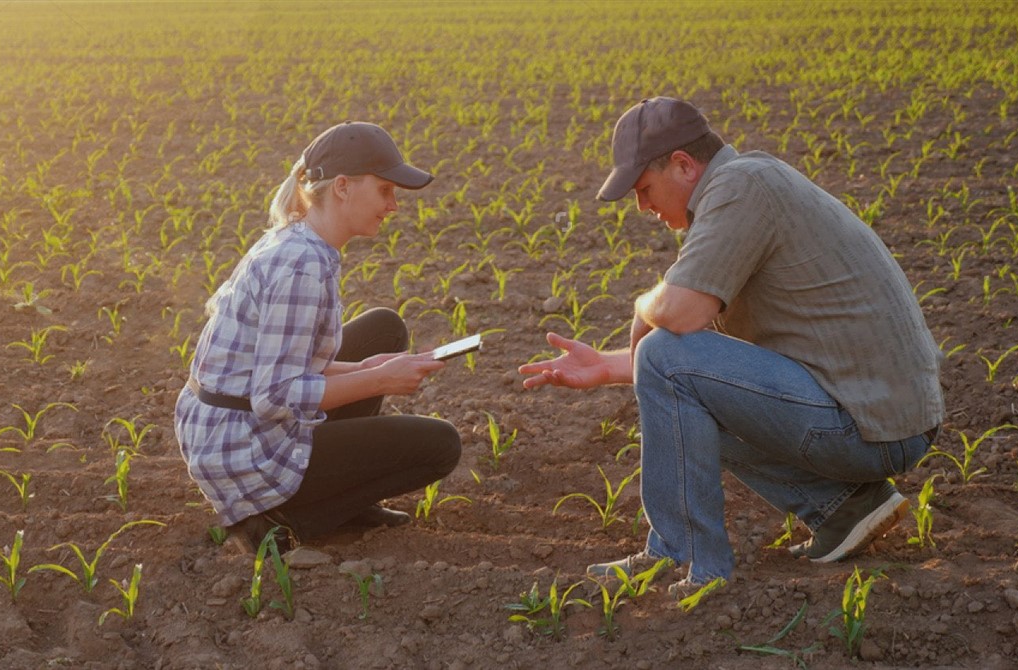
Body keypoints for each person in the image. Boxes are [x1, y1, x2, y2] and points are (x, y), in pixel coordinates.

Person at [519, 97, 943, 596]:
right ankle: (844, 508)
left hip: (869, 423)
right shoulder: (747, 185)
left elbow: (677, 320)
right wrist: (609, 366)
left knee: (662, 350)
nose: (643, 207)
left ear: (682, 165)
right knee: (677, 381)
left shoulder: (742, 187)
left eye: (644, 189)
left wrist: (641, 306)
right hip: (876, 415)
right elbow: (711, 364)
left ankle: (683, 558)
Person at [176, 122, 462, 553]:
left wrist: (367, 368)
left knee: (382, 332)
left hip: (225, 428)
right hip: (243, 450)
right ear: (343, 187)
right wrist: (381, 380)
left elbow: (289, 360)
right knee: (441, 446)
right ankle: (274, 524)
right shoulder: (301, 266)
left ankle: (347, 500)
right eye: (386, 189)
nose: (394, 205)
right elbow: (274, 396)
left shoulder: (301, 240)